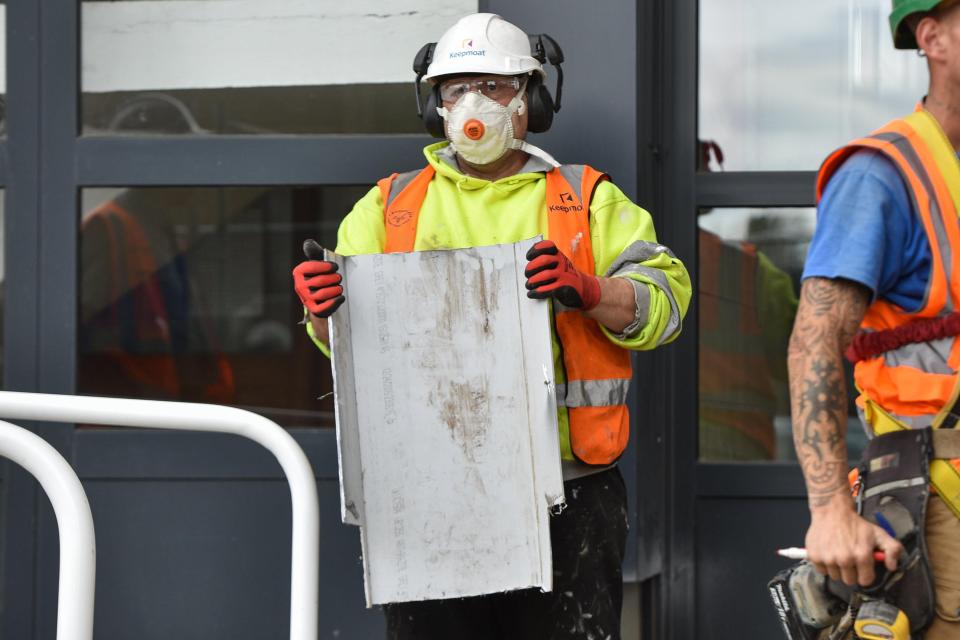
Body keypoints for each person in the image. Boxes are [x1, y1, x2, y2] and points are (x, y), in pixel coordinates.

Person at [292, 13, 690, 640]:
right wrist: (322, 311)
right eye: (454, 89)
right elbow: (343, 339)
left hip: (570, 497)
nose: (473, 103)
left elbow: (664, 303)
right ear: (436, 107)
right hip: (428, 492)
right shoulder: (390, 207)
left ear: (531, 100)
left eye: (495, 86)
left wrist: (589, 289)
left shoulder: (586, 199)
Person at [789, 0, 960, 636]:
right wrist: (832, 510)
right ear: (933, 37)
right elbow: (814, 343)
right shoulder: (881, 177)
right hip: (940, 507)